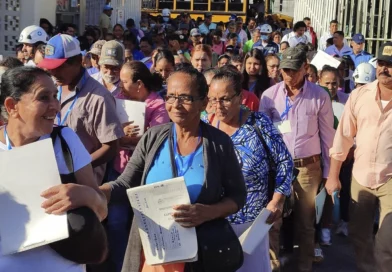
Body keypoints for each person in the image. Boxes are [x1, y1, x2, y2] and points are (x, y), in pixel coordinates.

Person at [100, 66, 247, 272]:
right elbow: (125, 184)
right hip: (154, 255)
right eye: (170, 96)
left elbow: (238, 196)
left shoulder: (218, 144)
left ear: (203, 103)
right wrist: (97, 193)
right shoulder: (153, 138)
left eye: (185, 98)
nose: (176, 105)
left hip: (200, 256)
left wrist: (208, 212)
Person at [0, 66, 107, 272]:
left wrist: (83, 195)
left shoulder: (65, 139)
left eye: (55, 96)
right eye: (43, 98)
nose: (55, 106)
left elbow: (102, 209)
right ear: (12, 105)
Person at [203, 68, 293, 272]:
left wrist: (277, 201)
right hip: (215, 221)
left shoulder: (259, 123)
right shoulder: (206, 124)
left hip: (253, 222)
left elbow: (284, 162)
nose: (218, 106)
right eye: (213, 100)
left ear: (241, 97)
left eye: (225, 99)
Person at [260, 46, 335, 272]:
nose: (289, 76)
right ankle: (272, 266)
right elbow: (262, 136)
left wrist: (328, 173)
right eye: (285, 70)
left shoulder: (319, 96)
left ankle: (304, 267)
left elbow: (328, 137)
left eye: (293, 70)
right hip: (277, 168)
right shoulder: (269, 96)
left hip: (307, 168)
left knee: (305, 222)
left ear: (305, 68)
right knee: (272, 220)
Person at [325, 42, 392, 272]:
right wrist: (333, 176)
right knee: (359, 235)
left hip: (390, 180)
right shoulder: (360, 95)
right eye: (382, 63)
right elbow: (343, 138)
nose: (385, 69)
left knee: (387, 242)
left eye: (391, 65)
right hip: (360, 176)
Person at [104, 61, 170, 272]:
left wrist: (134, 140)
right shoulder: (120, 100)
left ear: (139, 84)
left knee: (143, 229)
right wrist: (118, 133)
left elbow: (158, 140)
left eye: (124, 81)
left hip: (145, 177)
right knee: (115, 223)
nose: (119, 85)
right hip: (119, 169)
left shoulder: (158, 106)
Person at [38, 34, 124, 186]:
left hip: (80, 185)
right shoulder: (51, 89)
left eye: (60, 67)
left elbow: (111, 147)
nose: (54, 73)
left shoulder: (99, 97)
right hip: (48, 175)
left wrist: (77, 170)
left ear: (79, 61)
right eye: (50, 68)